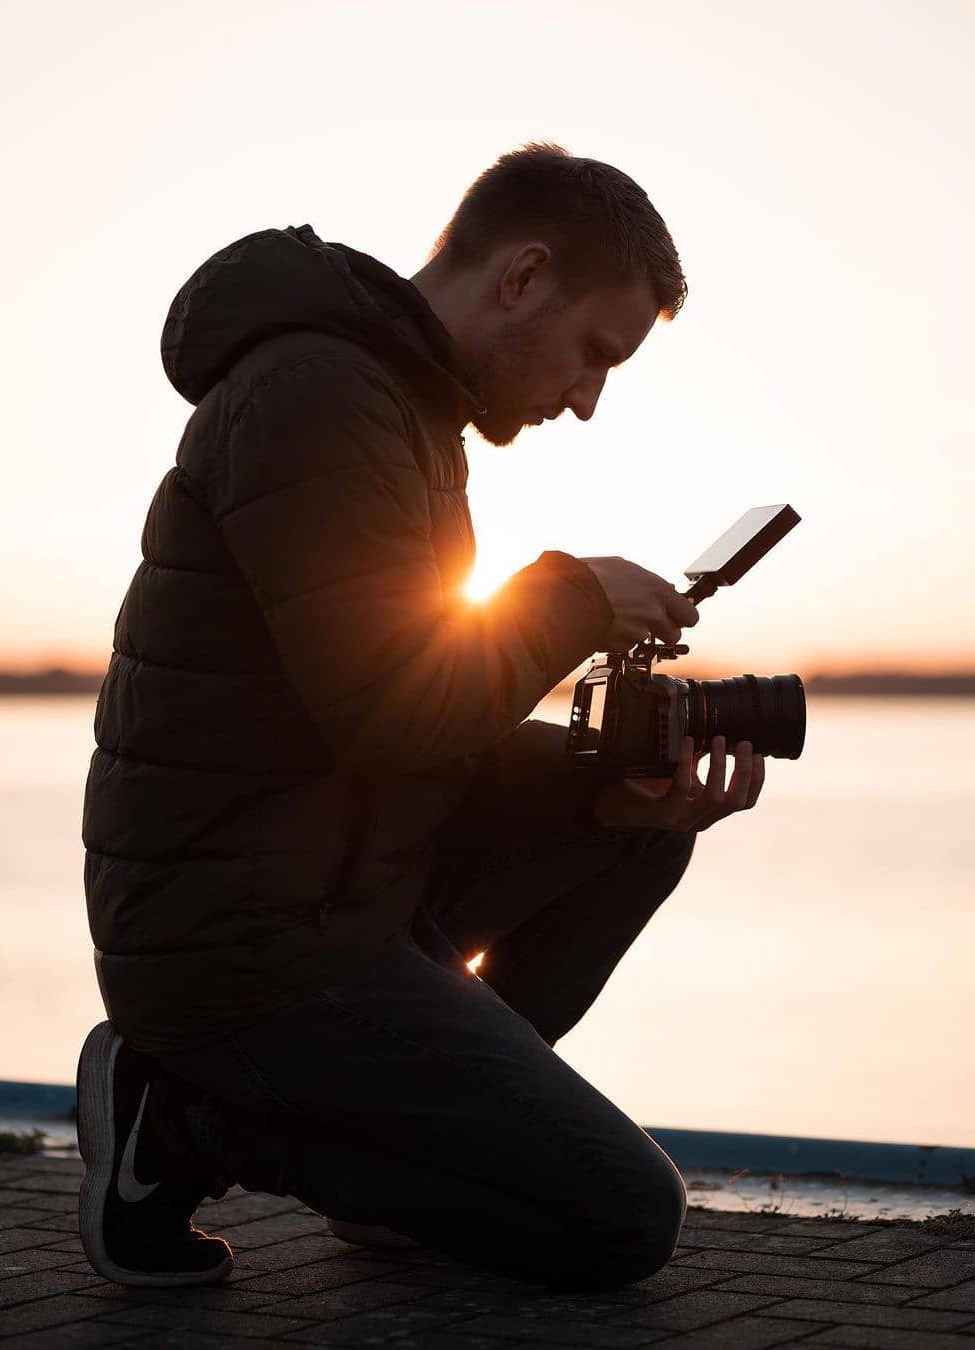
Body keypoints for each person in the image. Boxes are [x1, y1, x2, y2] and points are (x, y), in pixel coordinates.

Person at [77, 141, 766, 1292]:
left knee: (636, 825)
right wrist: (571, 596)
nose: (590, 401)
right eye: (597, 353)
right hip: (238, 942)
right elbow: (395, 711)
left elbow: (400, 724)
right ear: (522, 276)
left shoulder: (404, 412)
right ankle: (181, 1121)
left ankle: (401, 1166)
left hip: (327, 885)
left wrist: (617, 781)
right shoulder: (318, 396)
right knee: (623, 1220)